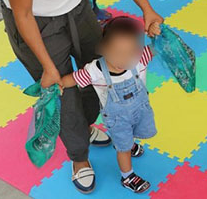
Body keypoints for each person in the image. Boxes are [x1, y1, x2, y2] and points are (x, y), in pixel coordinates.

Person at [0, 0, 163, 193]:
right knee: (64, 89)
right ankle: (79, 158)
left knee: (101, 67)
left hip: (76, 5)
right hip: (37, 19)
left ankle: (85, 127)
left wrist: (147, 8)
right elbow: (23, 15)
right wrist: (47, 66)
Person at [62, 17, 157, 193]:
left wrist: (156, 32)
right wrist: (58, 84)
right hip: (117, 119)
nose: (123, 59)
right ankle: (127, 176)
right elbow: (73, 79)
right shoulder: (96, 70)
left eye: (129, 53)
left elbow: (161, 47)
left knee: (135, 131)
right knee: (123, 148)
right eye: (117, 53)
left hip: (140, 111)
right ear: (104, 49)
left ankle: (130, 143)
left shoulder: (141, 58)